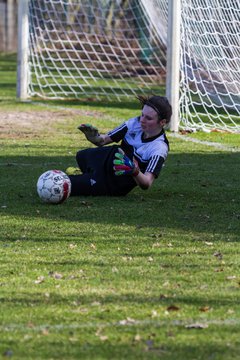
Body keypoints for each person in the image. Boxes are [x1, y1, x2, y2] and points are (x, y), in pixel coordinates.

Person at [66, 95, 172, 196]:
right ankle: (89, 177)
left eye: (148, 118)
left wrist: (135, 171)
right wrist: (94, 138)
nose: (142, 120)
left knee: (67, 184)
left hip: (114, 181)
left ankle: (91, 180)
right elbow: (103, 140)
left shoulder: (159, 148)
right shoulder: (135, 123)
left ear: (162, 122)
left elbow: (146, 183)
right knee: (82, 156)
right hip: (106, 160)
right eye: (142, 114)